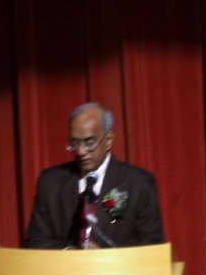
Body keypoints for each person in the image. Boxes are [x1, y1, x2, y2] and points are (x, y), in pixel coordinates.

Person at [23, 102, 165, 249]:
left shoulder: (138, 184)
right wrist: (71, 252)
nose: (81, 151)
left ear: (108, 140)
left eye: (89, 143)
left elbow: (152, 245)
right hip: (64, 264)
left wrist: (103, 256)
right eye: (74, 143)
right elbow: (34, 241)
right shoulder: (50, 182)